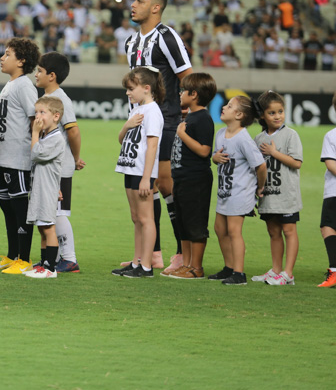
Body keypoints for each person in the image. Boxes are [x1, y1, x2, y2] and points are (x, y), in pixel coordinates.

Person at [124, 0, 193, 272]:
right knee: (146, 187)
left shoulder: (166, 37)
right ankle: (151, 254)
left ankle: (182, 252)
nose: (133, 4)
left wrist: (184, 113)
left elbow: (187, 76)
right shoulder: (130, 42)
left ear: (155, 7)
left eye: (140, 0)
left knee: (164, 184)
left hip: (165, 121)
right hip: (138, 124)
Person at [0, 38, 40, 275]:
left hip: (18, 158)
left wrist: (35, 153)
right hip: (3, 156)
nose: (2, 57)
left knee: (20, 207)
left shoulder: (24, 86)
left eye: (8, 54)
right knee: (6, 206)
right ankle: (12, 255)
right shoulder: (11, 85)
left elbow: (35, 121)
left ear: (21, 61)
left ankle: (25, 258)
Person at [112, 67, 165, 279]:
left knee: (146, 218)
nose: (128, 93)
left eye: (131, 89)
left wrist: (147, 178)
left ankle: (146, 266)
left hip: (142, 172)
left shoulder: (153, 111)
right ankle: (136, 262)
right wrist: (127, 125)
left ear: (146, 88)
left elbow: (152, 146)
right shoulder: (136, 110)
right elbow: (121, 139)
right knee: (136, 217)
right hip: (129, 168)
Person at [34, 53, 85, 273]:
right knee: (49, 212)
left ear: (52, 76)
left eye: (39, 71)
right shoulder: (48, 98)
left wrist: (75, 158)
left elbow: (73, 130)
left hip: (59, 166)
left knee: (57, 212)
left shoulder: (60, 99)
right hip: (49, 164)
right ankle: (50, 258)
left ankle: (69, 258)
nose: (36, 75)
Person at [209, 96, 267, 286]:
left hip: (240, 192)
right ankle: (228, 267)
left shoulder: (243, 139)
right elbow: (216, 156)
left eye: (229, 106)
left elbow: (260, 166)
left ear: (239, 115)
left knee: (234, 231)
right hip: (225, 191)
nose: (224, 107)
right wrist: (215, 158)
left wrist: (260, 187)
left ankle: (239, 273)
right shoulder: (220, 133)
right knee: (219, 229)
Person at [165, 73, 216, 279]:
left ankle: (196, 267)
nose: (179, 94)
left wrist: (183, 135)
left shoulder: (203, 118)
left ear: (194, 94)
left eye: (183, 90)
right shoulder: (190, 116)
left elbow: (205, 151)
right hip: (182, 179)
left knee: (195, 224)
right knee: (183, 223)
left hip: (196, 180)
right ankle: (185, 264)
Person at [252, 91, 302, 286]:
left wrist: (274, 152)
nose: (277, 116)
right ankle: (275, 270)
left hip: (286, 195)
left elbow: (296, 163)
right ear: (263, 116)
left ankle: (288, 273)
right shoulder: (258, 138)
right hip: (268, 195)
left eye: (280, 111)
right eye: (272, 113)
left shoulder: (291, 135)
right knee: (273, 232)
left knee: (289, 231)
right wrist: (258, 187)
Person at [22, 96, 65, 279]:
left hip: (46, 189)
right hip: (41, 187)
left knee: (48, 227)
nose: (38, 116)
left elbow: (37, 154)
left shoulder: (56, 138)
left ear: (56, 116)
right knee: (41, 227)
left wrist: (34, 134)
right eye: (36, 112)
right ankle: (42, 262)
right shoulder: (47, 136)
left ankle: (50, 268)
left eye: (42, 112)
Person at [318, 93, 336, 288]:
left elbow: (331, 164)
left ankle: (335, 272)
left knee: (329, 227)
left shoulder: (332, 135)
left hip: (334, 192)